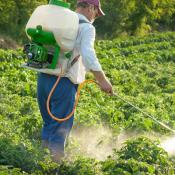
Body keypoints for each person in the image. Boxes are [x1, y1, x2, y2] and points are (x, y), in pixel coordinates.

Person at [37, 0, 113, 162]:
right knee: (59, 131)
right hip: (62, 84)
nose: (95, 17)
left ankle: (38, 164)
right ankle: (54, 169)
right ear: (91, 8)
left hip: (43, 79)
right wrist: (103, 80)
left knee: (49, 125)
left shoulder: (59, 21)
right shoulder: (86, 28)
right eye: (96, 13)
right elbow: (88, 55)